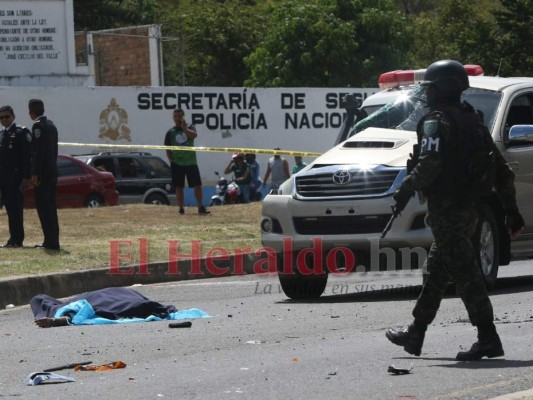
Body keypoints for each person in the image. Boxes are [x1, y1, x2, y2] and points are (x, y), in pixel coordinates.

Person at [385, 60, 525, 361]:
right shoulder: (473, 120)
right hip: (470, 208)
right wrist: (510, 209)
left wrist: (406, 187)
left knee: (465, 273)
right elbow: (500, 167)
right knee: (437, 270)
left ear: (442, 89)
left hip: (448, 209)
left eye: (431, 88)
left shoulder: (437, 121)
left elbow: (430, 165)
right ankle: (417, 331)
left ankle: (488, 336)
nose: (428, 95)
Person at [28, 99, 60, 251]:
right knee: (51, 208)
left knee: (44, 208)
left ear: (31, 112)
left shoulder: (38, 126)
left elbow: (37, 152)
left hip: (43, 175)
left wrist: (35, 173)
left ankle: (50, 242)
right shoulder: (52, 125)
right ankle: (53, 240)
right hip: (52, 172)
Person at [164, 108, 209, 215]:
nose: (177, 118)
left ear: (183, 116)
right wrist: (171, 160)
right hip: (177, 163)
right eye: (175, 116)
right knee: (179, 187)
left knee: (197, 185)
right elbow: (167, 148)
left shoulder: (190, 127)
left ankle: (200, 207)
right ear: (173, 118)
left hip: (191, 162)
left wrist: (184, 129)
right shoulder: (170, 132)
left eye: (179, 116)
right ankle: (181, 208)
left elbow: (194, 136)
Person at [0, 106, 32, 248]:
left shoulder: (20, 132)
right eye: (1, 118)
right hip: (4, 180)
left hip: (17, 179)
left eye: (7, 116)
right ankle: (12, 238)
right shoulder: (1, 135)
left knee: (16, 211)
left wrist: (26, 177)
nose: (4, 120)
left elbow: (27, 157)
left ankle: (17, 239)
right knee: (9, 210)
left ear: (13, 116)